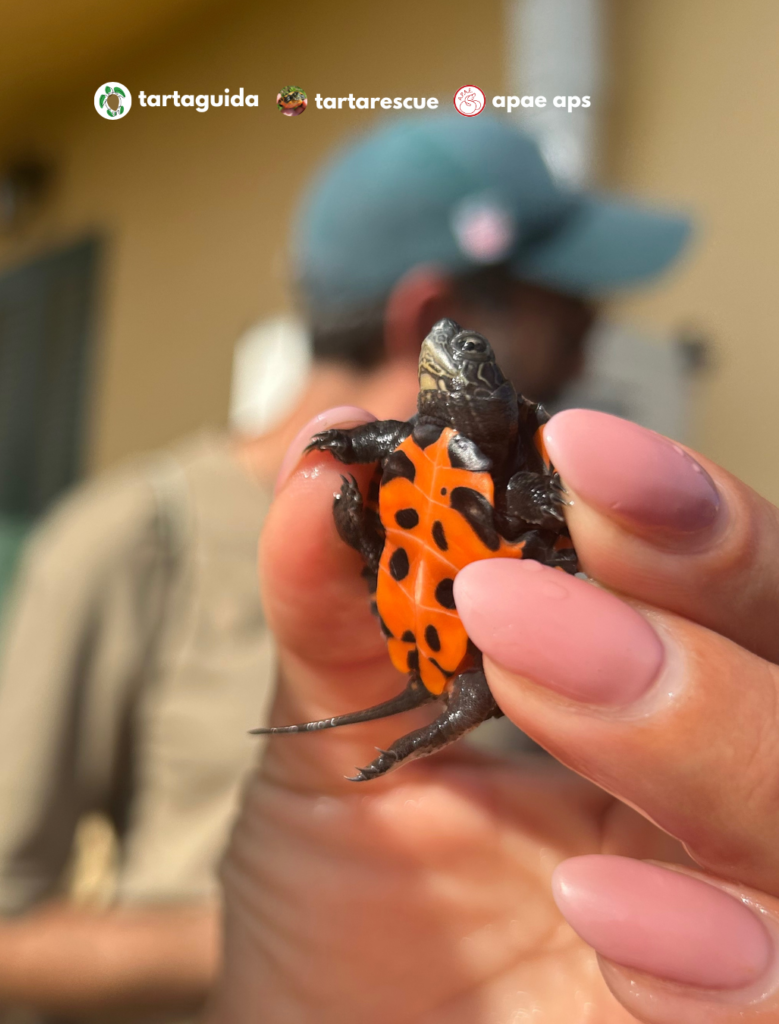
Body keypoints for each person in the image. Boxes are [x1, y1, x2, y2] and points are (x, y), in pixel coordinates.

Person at [0, 115, 689, 1019]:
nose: (591, 346)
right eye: (570, 311)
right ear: (430, 315)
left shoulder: (548, 510)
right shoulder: (128, 540)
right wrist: (321, 922)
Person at [211, 405, 779, 1023]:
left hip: (436, 617)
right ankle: (418, 718)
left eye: (468, 359)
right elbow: (384, 444)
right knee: (441, 623)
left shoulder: (514, 479)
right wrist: (349, 443)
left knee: (472, 681)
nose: (451, 346)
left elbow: (554, 513)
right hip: (415, 589)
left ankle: (420, 735)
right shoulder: (417, 440)